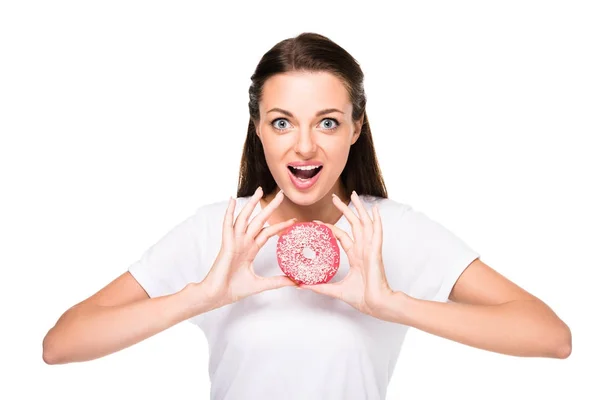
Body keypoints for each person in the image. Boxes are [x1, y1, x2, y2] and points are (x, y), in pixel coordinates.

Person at [42, 32, 572, 399]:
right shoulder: (221, 231)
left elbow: (550, 336)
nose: (303, 147)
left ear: (356, 127)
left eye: (326, 122)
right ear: (257, 128)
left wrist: (393, 304)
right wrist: (201, 296)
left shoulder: (389, 231)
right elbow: (61, 344)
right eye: (281, 123)